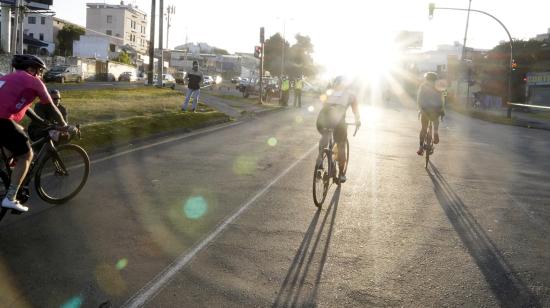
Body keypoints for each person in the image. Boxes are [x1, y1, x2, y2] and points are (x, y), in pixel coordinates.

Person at [0, 54, 69, 212]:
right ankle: (10, 198)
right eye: (39, 71)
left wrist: (41, 121)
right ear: (31, 69)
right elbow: (52, 107)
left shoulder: (10, 77)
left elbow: (26, 108)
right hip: (2, 120)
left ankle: (8, 170)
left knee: (17, 135)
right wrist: (64, 125)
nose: (40, 75)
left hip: (3, 121)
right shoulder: (33, 81)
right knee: (26, 155)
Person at [315, 76, 361, 184]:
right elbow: (355, 111)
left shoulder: (329, 92)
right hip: (339, 121)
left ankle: (320, 163)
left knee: (325, 138)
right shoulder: (351, 95)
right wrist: (357, 121)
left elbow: (324, 105)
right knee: (341, 145)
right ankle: (341, 174)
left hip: (322, 119)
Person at [416, 72, 445, 156]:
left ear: (426, 78)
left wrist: (420, 109)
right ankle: (435, 132)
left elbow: (419, 99)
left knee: (424, 129)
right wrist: (442, 111)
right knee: (436, 122)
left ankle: (421, 147)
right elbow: (442, 100)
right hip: (436, 110)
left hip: (425, 110)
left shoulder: (423, 86)